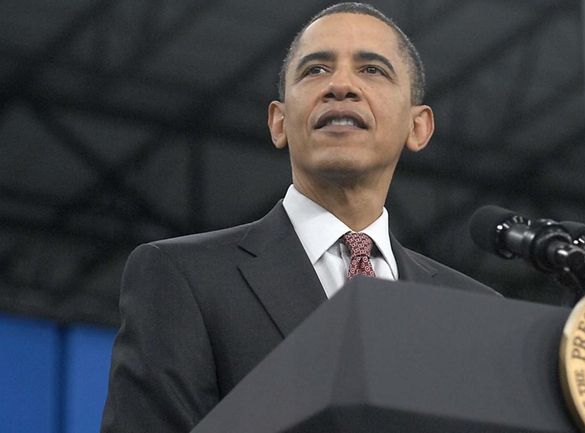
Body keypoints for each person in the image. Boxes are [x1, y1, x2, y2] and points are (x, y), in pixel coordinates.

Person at [100, 3, 497, 432]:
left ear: (418, 127)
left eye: (372, 71)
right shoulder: (182, 276)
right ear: (279, 121)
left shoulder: (475, 310)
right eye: (315, 71)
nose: (340, 86)